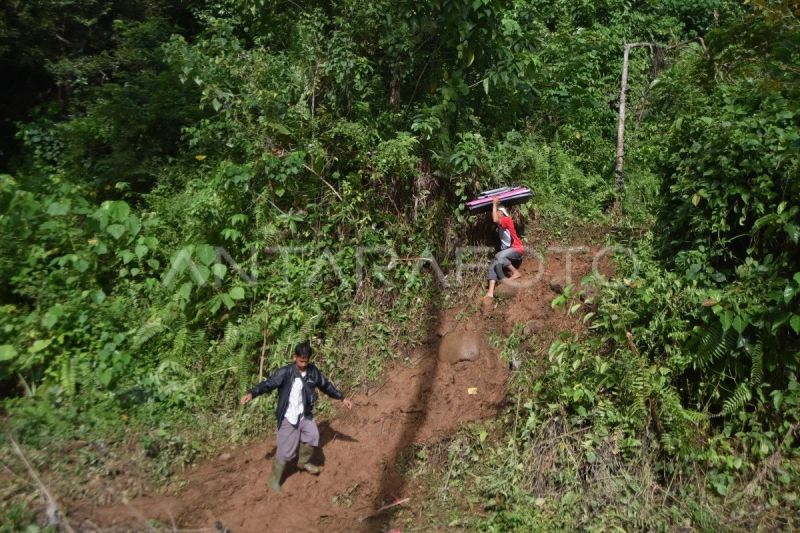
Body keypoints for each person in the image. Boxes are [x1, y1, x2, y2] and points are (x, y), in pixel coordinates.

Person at [240, 341, 353, 492]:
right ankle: (273, 482)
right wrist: (252, 393)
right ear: (294, 357)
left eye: (306, 361)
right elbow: (269, 383)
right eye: (301, 361)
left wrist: (341, 397)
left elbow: (326, 385)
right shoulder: (285, 372)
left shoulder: (313, 372)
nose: (303, 364)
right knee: (285, 450)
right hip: (289, 416)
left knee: (313, 435)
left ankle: (303, 462)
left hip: (304, 414)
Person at [485, 196, 524, 298]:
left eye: (497, 211)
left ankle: (515, 272)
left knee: (498, 256)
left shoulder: (507, 219)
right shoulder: (500, 227)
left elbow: (494, 219)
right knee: (494, 264)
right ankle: (490, 292)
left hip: (517, 249)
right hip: (508, 252)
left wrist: (494, 203)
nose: (495, 213)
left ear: (501, 213)